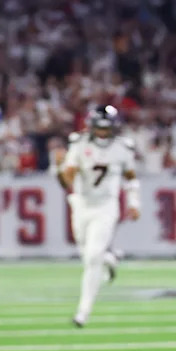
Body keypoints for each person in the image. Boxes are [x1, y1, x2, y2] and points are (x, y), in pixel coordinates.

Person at [58, 105, 140, 327]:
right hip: (81, 204)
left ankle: (83, 311)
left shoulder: (122, 147)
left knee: (92, 257)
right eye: (99, 128)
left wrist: (134, 202)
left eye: (106, 128)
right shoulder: (79, 144)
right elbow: (67, 178)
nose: (103, 133)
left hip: (106, 206)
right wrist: (62, 170)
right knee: (87, 253)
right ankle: (110, 258)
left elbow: (131, 177)